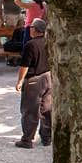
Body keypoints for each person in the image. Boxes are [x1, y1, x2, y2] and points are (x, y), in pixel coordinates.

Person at [15, 18, 53, 148]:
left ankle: (27, 139)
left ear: (35, 29)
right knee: (46, 108)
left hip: (34, 79)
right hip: (48, 76)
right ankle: (47, 136)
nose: (29, 29)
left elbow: (24, 66)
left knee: (30, 110)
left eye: (31, 27)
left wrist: (20, 81)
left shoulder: (30, 45)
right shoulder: (49, 42)